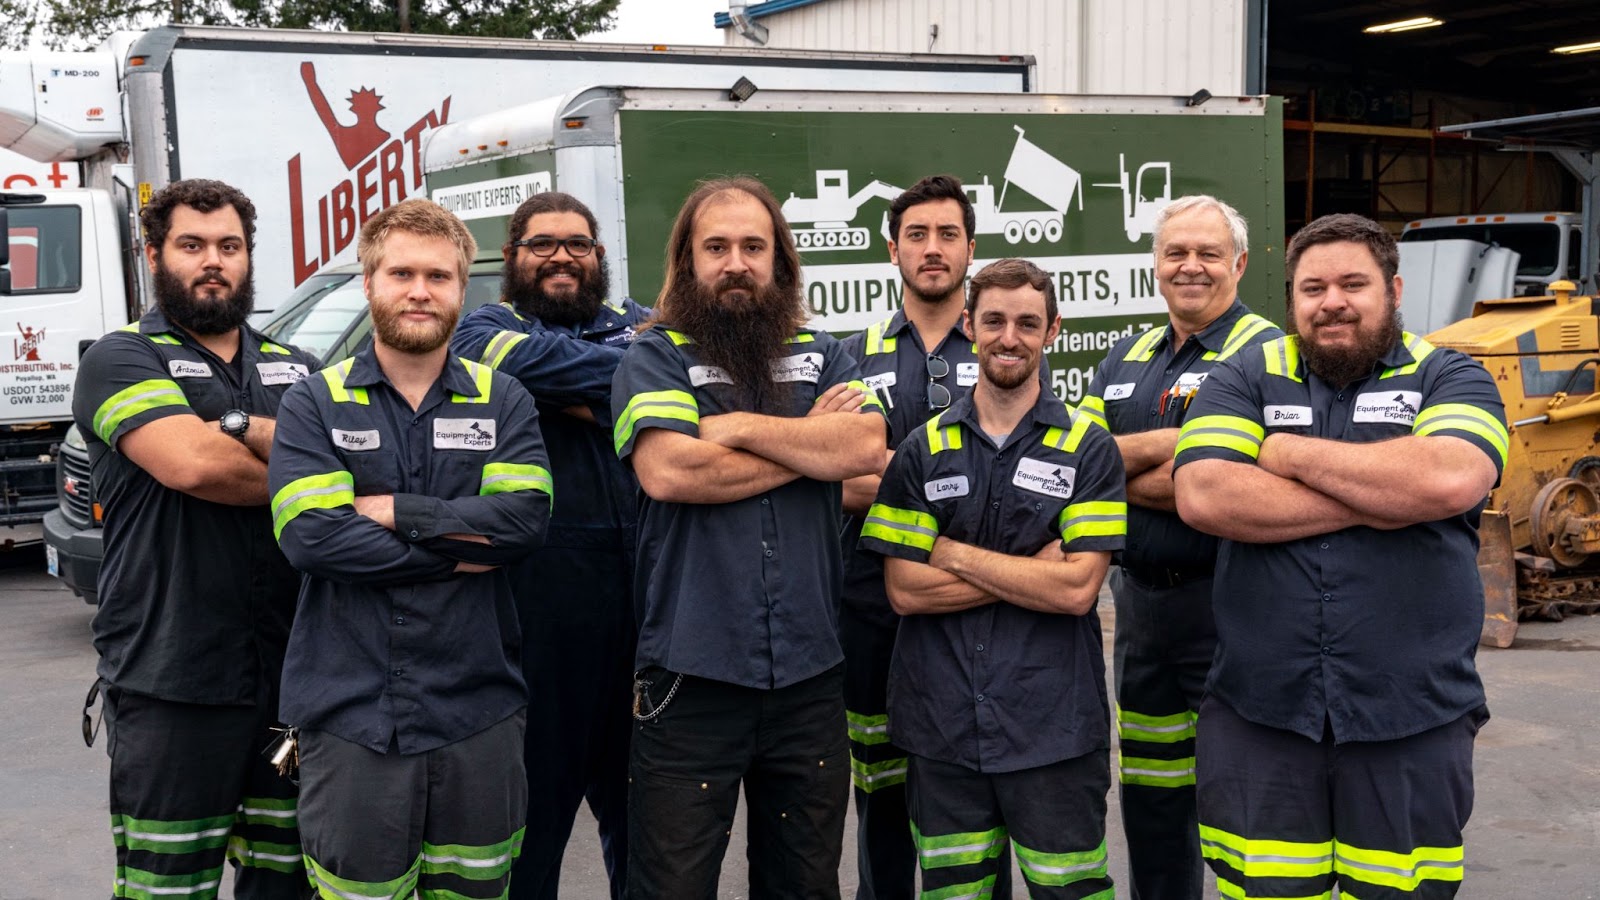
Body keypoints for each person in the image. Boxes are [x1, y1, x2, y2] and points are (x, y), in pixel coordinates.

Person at [1173, 213, 1507, 899]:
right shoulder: (1246, 374)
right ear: (1291, 298)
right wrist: (1388, 495)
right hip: (1262, 712)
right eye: (1312, 287)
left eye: (1353, 284)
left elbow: (1449, 479)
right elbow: (1206, 495)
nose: (1332, 302)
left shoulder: (1452, 375)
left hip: (1410, 713)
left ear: (1394, 289)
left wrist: (1285, 453)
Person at [611, 176, 887, 899]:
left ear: (781, 263)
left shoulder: (825, 351)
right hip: (691, 675)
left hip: (809, 676)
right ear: (687, 262)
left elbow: (862, 447)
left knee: (805, 886)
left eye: (753, 246)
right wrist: (806, 449)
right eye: (717, 247)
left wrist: (730, 430)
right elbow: (671, 470)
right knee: (670, 887)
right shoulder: (655, 357)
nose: (736, 262)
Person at [269, 198, 552, 898]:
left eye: (438, 275)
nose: (419, 291)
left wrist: (399, 511)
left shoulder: (505, 399)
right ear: (370, 284)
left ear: (463, 288)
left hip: (476, 709)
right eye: (401, 273)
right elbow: (312, 539)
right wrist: (459, 547)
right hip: (350, 713)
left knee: (477, 889)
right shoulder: (314, 403)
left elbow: (523, 525)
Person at [72, 178, 319, 898]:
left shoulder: (298, 368)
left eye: (229, 246)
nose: (213, 261)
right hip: (170, 682)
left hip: (292, 685)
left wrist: (308, 460)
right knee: (167, 887)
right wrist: (309, 469)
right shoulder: (120, 359)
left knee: (290, 886)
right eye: (192, 245)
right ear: (154, 255)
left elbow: (350, 462)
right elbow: (194, 464)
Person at [860, 257, 1125, 900]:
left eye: (1028, 323)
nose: (1011, 337)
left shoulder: (1090, 448)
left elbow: (1075, 590)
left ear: (1053, 331)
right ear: (971, 329)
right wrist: (1031, 570)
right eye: (995, 321)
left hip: (1053, 732)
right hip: (942, 730)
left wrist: (947, 552)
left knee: (1071, 891)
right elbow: (903, 589)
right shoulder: (921, 447)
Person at [1077, 195, 1279, 899]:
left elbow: (1232, 482)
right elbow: (1075, 465)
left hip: (1232, 605)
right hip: (1139, 612)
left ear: (1240, 263)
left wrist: (1116, 466)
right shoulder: (1125, 358)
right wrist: (1172, 450)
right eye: (1175, 253)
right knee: (1152, 794)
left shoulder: (1266, 355)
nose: (1190, 267)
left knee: (1240, 794)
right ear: (1156, 264)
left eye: (1208, 253)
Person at [451, 191, 648, 900]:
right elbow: (645, 382)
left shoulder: (645, 324)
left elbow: (671, 373)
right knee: (529, 837)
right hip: (540, 622)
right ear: (511, 258)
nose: (561, 255)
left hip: (645, 618)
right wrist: (624, 392)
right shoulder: (481, 327)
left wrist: (555, 385)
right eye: (542, 244)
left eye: (577, 243)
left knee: (650, 839)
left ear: (599, 256)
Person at [838, 174, 1018, 900]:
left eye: (948, 235)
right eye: (918, 235)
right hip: (870, 608)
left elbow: (1027, 473)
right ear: (893, 250)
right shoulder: (850, 353)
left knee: (978, 798)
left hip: (980, 605)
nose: (933, 249)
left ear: (971, 249)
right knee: (880, 795)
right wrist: (953, 482)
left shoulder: (1006, 348)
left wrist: (890, 469)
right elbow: (840, 477)